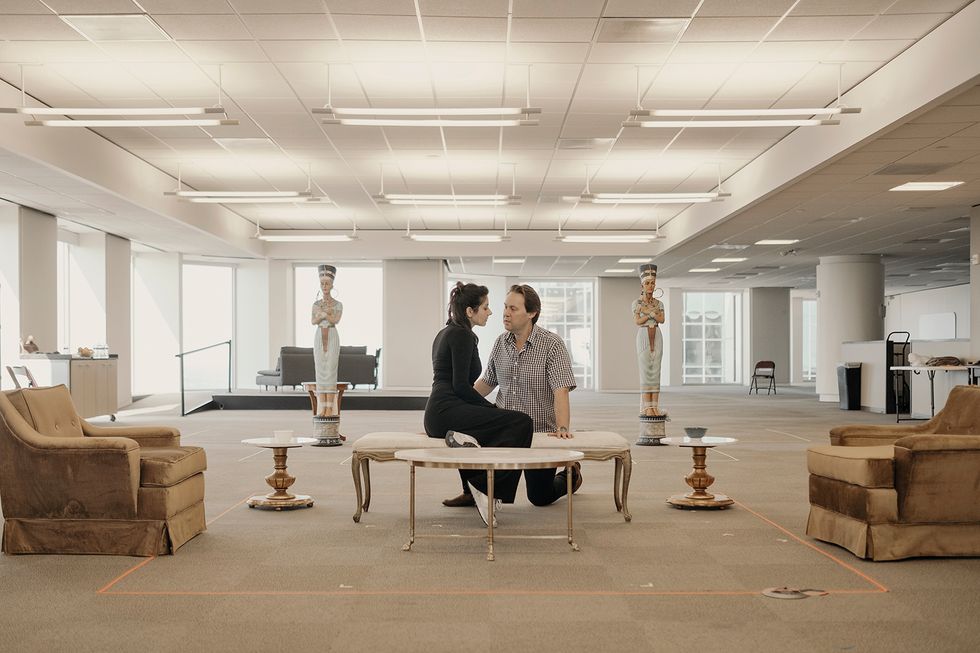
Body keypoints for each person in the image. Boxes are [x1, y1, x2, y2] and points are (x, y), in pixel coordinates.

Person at [424, 282, 533, 526]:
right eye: (485, 307)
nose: (491, 312)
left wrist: (487, 412)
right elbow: (461, 387)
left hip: (438, 412)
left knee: (488, 427)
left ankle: (470, 489)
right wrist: (492, 409)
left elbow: (457, 387)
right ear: (469, 312)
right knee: (522, 423)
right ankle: (486, 489)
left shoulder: (445, 332)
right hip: (446, 410)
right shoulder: (463, 335)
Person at [473, 283, 581, 506]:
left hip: (538, 432)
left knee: (539, 497)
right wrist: (456, 404)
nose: (505, 313)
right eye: (505, 307)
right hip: (505, 433)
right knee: (491, 486)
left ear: (531, 313)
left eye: (513, 308)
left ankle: (572, 476)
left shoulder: (552, 344)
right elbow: (487, 382)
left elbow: (560, 389)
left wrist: (562, 428)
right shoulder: (500, 342)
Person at [633, 264, 665, 416]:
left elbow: (661, 319)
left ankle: (654, 406)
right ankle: (647, 407)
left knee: (656, 370)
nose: (650, 286)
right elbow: (638, 321)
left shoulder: (659, 303)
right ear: (642, 285)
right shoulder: (637, 303)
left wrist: (648, 313)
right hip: (644, 335)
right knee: (646, 371)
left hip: (657, 334)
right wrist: (652, 314)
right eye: (647, 283)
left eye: (652, 283)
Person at [312, 264, 342, 417]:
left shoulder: (338, 304)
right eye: (322, 283)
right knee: (320, 371)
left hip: (331, 335)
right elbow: (313, 321)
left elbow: (335, 319)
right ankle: (322, 407)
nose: (324, 286)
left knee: (330, 371)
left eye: (327, 283)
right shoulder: (316, 304)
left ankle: (330, 407)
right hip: (319, 336)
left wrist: (323, 315)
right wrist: (324, 314)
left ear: (332, 285)